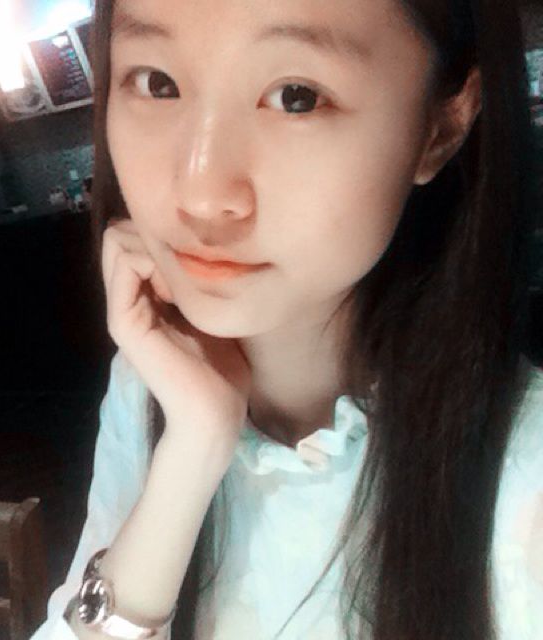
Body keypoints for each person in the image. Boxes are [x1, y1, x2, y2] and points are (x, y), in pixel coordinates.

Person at [31, 0, 543, 638]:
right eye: (157, 83)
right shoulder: (152, 382)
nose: (201, 193)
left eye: (296, 97)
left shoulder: (525, 480)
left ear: (441, 128)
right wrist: (191, 451)